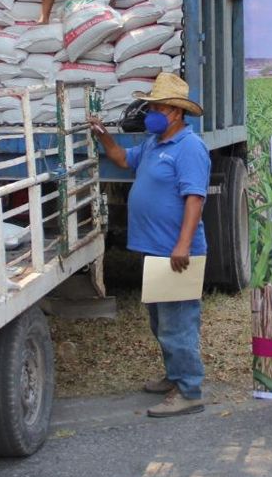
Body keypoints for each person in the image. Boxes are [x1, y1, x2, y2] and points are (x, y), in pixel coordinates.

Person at [88, 73, 210, 417]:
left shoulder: (189, 147)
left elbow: (194, 199)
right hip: (156, 251)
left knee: (178, 322)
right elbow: (124, 160)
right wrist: (103, 136)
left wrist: (183, 245)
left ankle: (190, 390)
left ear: (175, 112)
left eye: (156, 107)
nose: (150, 112)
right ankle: (175, 375)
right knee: (161, 321)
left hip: (176, 253)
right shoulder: (155, 144)